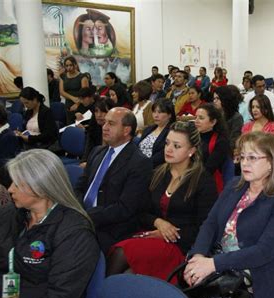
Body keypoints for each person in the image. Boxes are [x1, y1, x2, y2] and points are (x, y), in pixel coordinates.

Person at [184, 131, 274, 298]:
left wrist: (212, 264)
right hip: (220, 269)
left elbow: (264, 251)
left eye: (252, 157)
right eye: (242, 157)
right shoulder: (234, 185)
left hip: (257, 282)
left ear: (271, 163)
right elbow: (211, 223)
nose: (244, 163)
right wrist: (198, 255)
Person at [107, 121, 218, 281]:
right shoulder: (157, 173)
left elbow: (205, 228)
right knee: (118, 253)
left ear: (191, 151)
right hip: (151, 234)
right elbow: (140, 211)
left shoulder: (203, 181)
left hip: (180, 245)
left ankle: (102, 296)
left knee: (122, 253)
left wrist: (168, 234)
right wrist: (158, 222)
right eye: (167, 143)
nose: (169, 149)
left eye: (177, 146)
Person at [0, 149, 99, 298]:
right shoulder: (10, 214)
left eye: (17, 184)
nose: (10, 189)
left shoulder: (74, 233)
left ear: (40, 187)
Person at [75, 108, 152, 252]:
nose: (104, 127)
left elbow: (125, 208)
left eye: (111, 124)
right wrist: (77, 208)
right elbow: (80, 186)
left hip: (109, 228)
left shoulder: (139, 163)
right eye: (104, 123)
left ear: (126, 130)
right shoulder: (97, 152)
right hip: (82, 217)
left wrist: (87, 216)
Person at [194, 103, 230, 193]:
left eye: (201, 118)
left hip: (208, 186)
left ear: (213, 122)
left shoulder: (220, 141)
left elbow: (208, 169)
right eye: (196, 117)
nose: (196, 121)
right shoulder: (192, 137)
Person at [139, 99, 176, 168]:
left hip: (154, 168)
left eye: (160, 112)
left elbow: (161, 157)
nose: (156, 115)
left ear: (169, 115)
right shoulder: (148, 129)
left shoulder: (172, 133)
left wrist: (141, 165)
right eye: (154, 112)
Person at [80, 98, 114, 166]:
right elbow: (88, 148)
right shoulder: (94, 127)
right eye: (96, 111)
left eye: (103, 111)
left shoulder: (116, 132)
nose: (99, 115)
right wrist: (84, 161)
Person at [214, 85, 244, 152]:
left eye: (218, 98)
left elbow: (234, 140)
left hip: (227, 151)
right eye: (214, 98)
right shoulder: (215, 115)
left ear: (224, 99)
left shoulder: (236, 117)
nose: (214, 101)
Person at [60, 56, 89, 124]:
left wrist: (77, 103)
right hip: (69, 104)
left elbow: (85, 93)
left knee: (80, 125)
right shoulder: (63, 76)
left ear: (75, 65)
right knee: (70, 125)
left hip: (81, 103)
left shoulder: (82, 76)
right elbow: (61, 92)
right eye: (66, 66)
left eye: (70, 65)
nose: (69, 68)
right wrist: (72, 98)